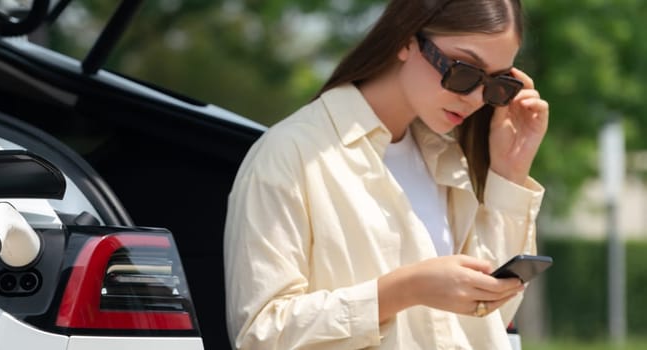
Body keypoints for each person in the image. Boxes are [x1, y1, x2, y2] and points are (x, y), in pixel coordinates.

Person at [223, 0, 548, 349]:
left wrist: (509, 172)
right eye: (464, 70)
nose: (475, 98)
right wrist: (403, 290)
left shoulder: (446, 161)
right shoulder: (291, 154)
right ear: (405, 41)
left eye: (497, 85)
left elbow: (486, 320)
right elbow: (261, 335)